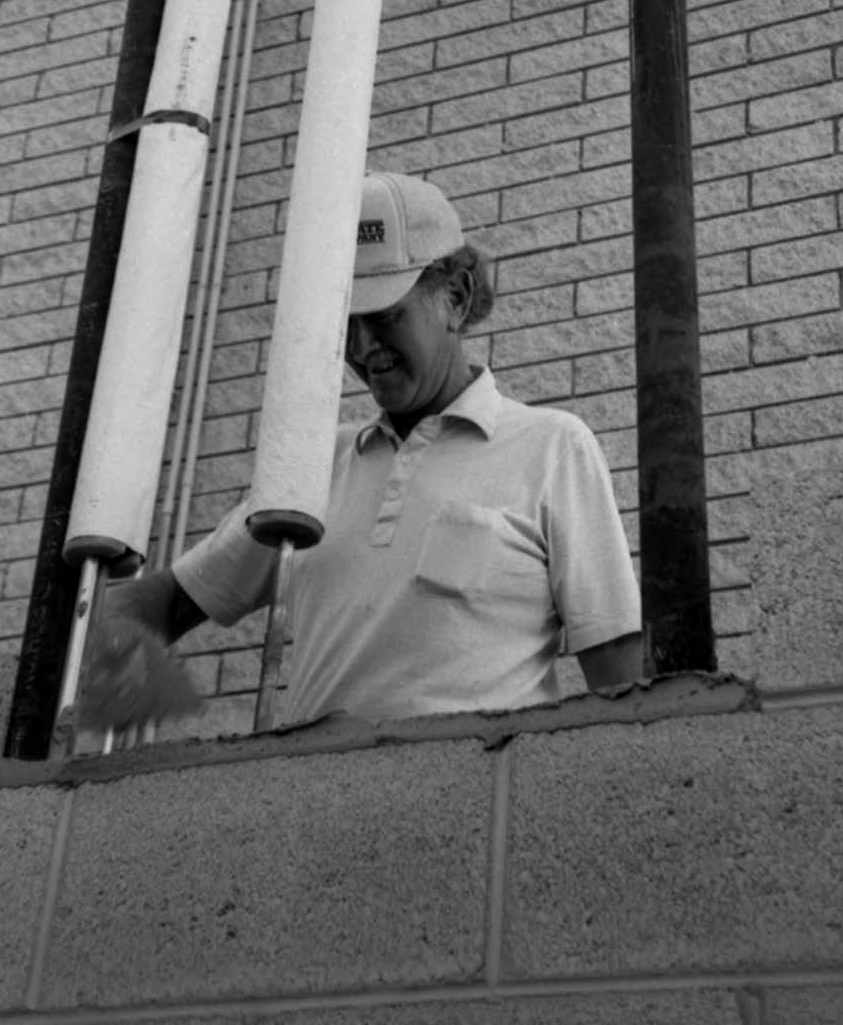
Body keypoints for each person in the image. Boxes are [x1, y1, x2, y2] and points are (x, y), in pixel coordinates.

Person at [84, 171, 643, 731]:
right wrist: (103, 641)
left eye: (383, 316)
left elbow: (617, 675)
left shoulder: (552, 448)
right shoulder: (314, 467)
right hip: (310, 803)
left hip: (480, 801)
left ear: (455, 296)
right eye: (346, 323)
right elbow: (167, 602)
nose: (361, 347)